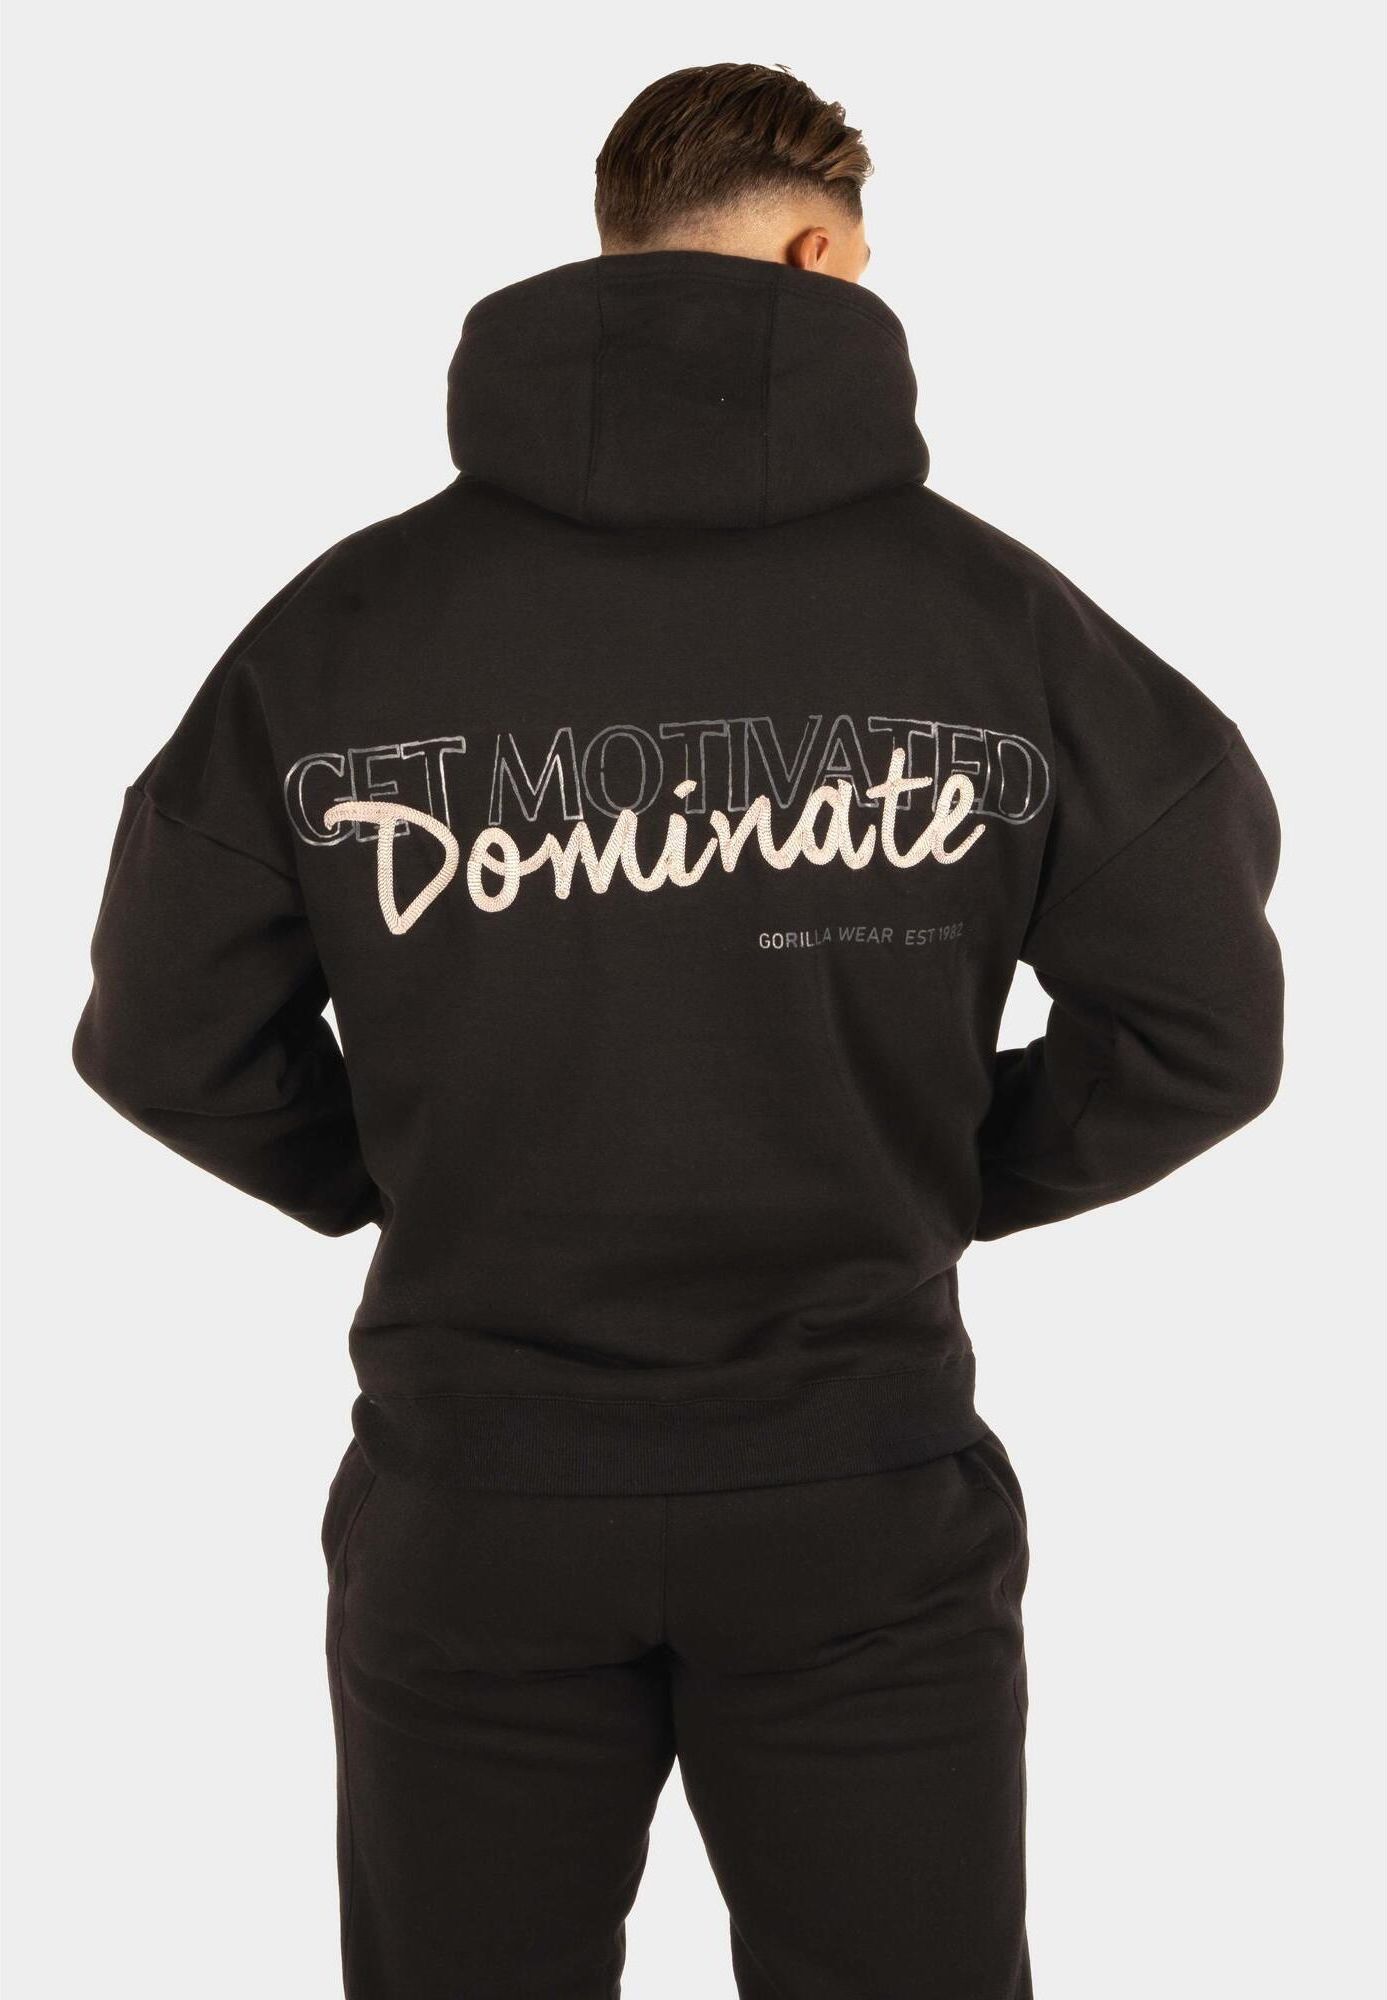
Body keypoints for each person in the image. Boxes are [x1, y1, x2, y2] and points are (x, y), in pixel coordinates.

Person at [72, 61, 1284, 2000]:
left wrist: (415, 1164)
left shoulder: (344, 632)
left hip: (472, 1494)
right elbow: (1201, 1020)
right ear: (817, 256)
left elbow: (163, 1031)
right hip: (857, 1495)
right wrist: (923, 1162)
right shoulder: (1001, 630)